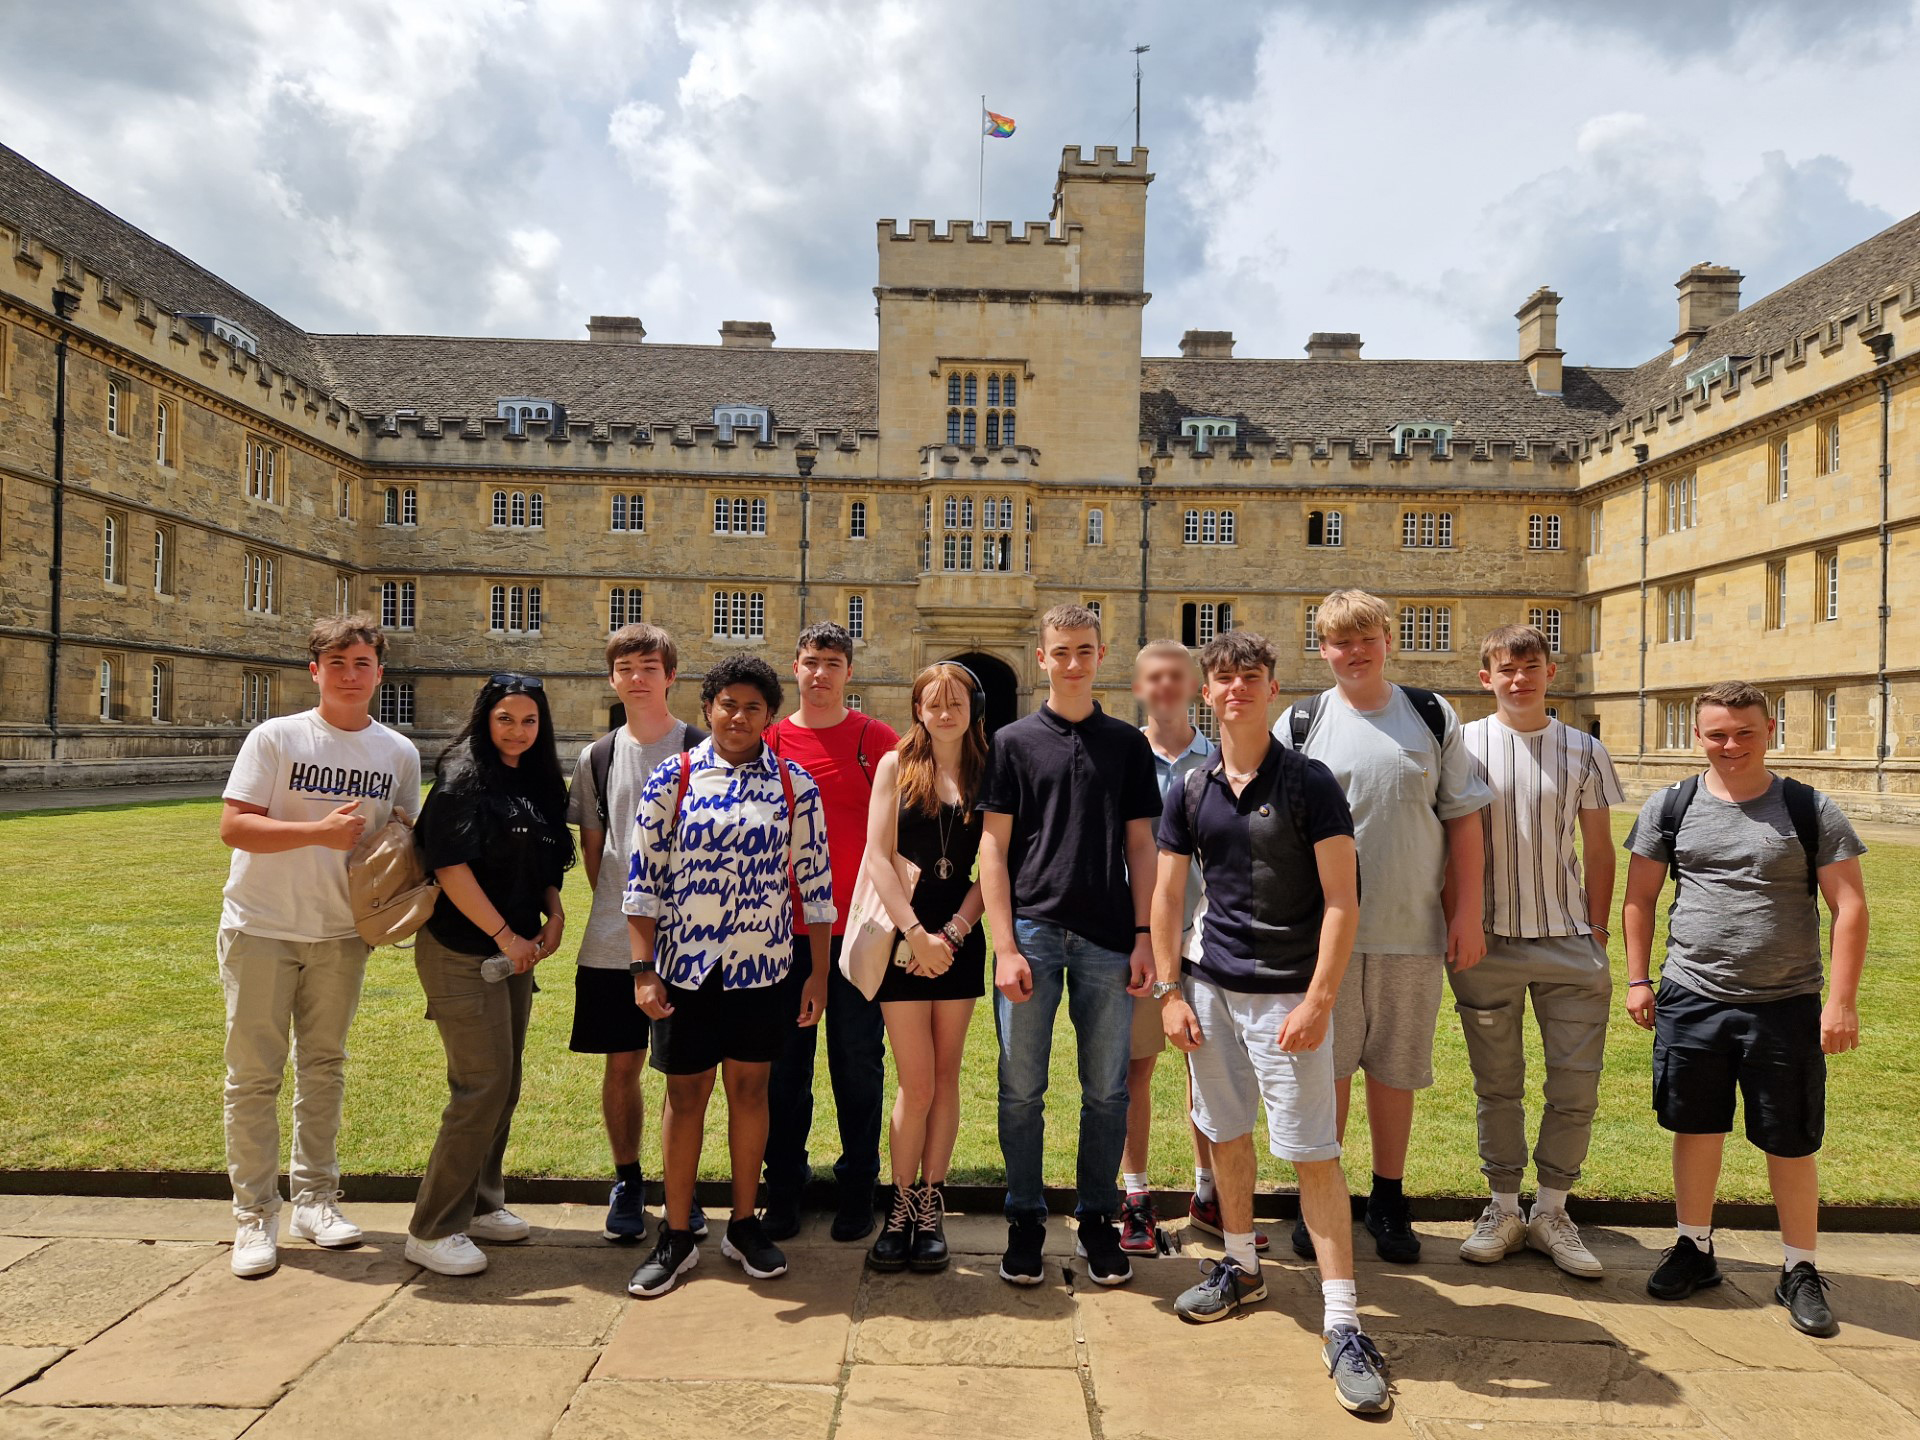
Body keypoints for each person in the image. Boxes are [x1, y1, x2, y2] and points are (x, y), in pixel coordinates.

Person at [1153, 630, 1388, 1416]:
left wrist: (1319, 1000)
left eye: (1247, 676)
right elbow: (1164, 897)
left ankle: (1344, 1321)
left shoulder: (1309, 782)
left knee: (1313, 1154)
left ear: (1271, 687)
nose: (1234, 690)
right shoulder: (1191, 787)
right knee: (1225, 1135)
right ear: (1206, 694)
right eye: (1221, 679)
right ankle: (1241, 1267)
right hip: (1211, 990)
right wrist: (1169, 991)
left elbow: (1341, 901)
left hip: (1287, 995)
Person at [1622, 680, 1868, 1337]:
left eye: (1744, 732)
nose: (1731, 745)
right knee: (1695, 1126)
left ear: (1770, 730)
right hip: (1691, 995)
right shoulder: (1670, 806)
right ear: (1698, 735)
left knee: (1789, 1138)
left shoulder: (1808, 808)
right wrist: (1638, 980)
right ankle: (1693, 1246)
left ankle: (1799, 1267)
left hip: (1785, 1001)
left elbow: (1850, 909)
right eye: (1717, 734)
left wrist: (1840, 1003)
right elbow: (1639, 899)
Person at [1274, 589, 1489, 1264]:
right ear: (1323, 649)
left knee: (1395, 1074)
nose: (1354, 651)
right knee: (1325, 1077)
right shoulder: (1300, 724)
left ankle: (1390, 1198)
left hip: (1410, 927)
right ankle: (1322, 1200)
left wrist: (1467, 910)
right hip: (1320, 941)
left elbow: (1463, 819)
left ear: (1387, 641)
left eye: (1366, 638)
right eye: (1340, 641)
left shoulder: (1430, 714)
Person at [623, 655, 835, 1299]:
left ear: (769, 716)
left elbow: (818, 889)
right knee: (685, 1097)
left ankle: (744, 1223)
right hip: (687, 969)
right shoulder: (675, 777)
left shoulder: (795, 785)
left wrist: (818, 976)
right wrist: (642, 970)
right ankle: (678, 1231)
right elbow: (642, 884)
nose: (738, 717)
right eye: (727, 705)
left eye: (752, 707)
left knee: (751, 1094)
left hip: (763, 968)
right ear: (707, 708)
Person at [215, 614, 420, 1278]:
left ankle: (315, 1201)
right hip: (263, 926)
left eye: (362, 663)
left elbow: (401, 838)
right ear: (315, 671)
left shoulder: (397, 754)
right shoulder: (277, 737)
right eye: (337, 663)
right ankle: (253, 1214)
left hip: (339, 934)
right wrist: (314, 834)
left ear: (380, 673)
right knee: (254, 1077)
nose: (351, 675)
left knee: (324, 1067)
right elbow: (234, 826)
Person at [980, 603, 1162, 1288]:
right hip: (1031, 932)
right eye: (1061, 652)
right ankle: (1025, 1218)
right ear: (1042, 659)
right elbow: (993, 848)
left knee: (1106, 1092)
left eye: (1085, 651)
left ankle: (1095, 1220)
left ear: (1101, 655)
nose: (1074, 663)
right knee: (1022, 1090)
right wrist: (1004, 945)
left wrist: (1144, 936)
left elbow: (1141, 847)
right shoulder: (1014, 742)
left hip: (1107, 937)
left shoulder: (1127, 744)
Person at [1454, 624, 1624, 1277]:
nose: (1519, 678)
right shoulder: (1464, 745)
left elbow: (1601, 850)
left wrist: (1598, 931)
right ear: (1486, 677)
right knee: (1497, 1087)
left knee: (1574, 1088)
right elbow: (1450, 845)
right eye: (1506, 668)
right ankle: (1502, 1207)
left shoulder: (1583, 749)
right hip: (1488, 940)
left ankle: (1552, 1210)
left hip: (1567, 939)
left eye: (1530, 667)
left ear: (1550, 671)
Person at [405, 673, 575, 1277]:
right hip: (461, 951)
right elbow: (449, 866)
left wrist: (553, 915)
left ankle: (480, 1205)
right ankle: (431, 1228)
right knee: (481, 1086)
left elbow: (550, 858)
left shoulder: (537, 779)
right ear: (485, 718)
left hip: (517, 951)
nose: (518, 730)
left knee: (505, 1083)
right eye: (506, 718)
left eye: (529, 720)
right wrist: (505, 935)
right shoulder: (462, 774)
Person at [566, 624, 707, 1245]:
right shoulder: (596, 758)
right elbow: (595, 855)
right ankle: (627, 1180)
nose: (639, 677)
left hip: (693, 940)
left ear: (671, 676)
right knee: (621, 1065)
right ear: (613, 678)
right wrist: (627, 917)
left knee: (690, 1074)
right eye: (627, 667)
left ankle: (682, 1189)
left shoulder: (702, 748)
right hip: (612, 940)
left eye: (651, 666)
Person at [762, 623, 902, 1242]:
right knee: (783, 1068)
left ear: (850, 671)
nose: (821, 674)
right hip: (777, 932)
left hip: (857, 931)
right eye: (812, 661)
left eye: (833, 663)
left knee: (856, 1063)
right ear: (795, 667)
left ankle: (857, 1187)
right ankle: (785, 1188)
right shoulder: (766, 739)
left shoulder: (875, 740)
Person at [1123, 641, 1251, 1257]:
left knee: (1209, 1072)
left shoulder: (1223, 756)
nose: (1166, 685)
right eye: (1155, 676)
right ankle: (1137, 1195)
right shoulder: (1123, 757)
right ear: (1139, 686)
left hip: (1214, 936)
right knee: (1135, 1070)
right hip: (1145, 940)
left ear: (1194, 686)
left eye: (1177, 675)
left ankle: (1208, 1192)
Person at [862, 662, 989, 1274]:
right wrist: (916, 934)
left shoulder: (989, 772)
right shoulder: (895, 765)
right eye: (932, 704)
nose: (944, 713)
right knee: (915, 1084)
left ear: (972, 708)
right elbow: (878, 859)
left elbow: (997, 868)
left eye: (955, 703)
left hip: (959, 938)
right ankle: (900, 1205)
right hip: (903, 939)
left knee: (946, 1077)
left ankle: (931, 1205)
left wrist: (955, 934)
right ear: (917, 709)